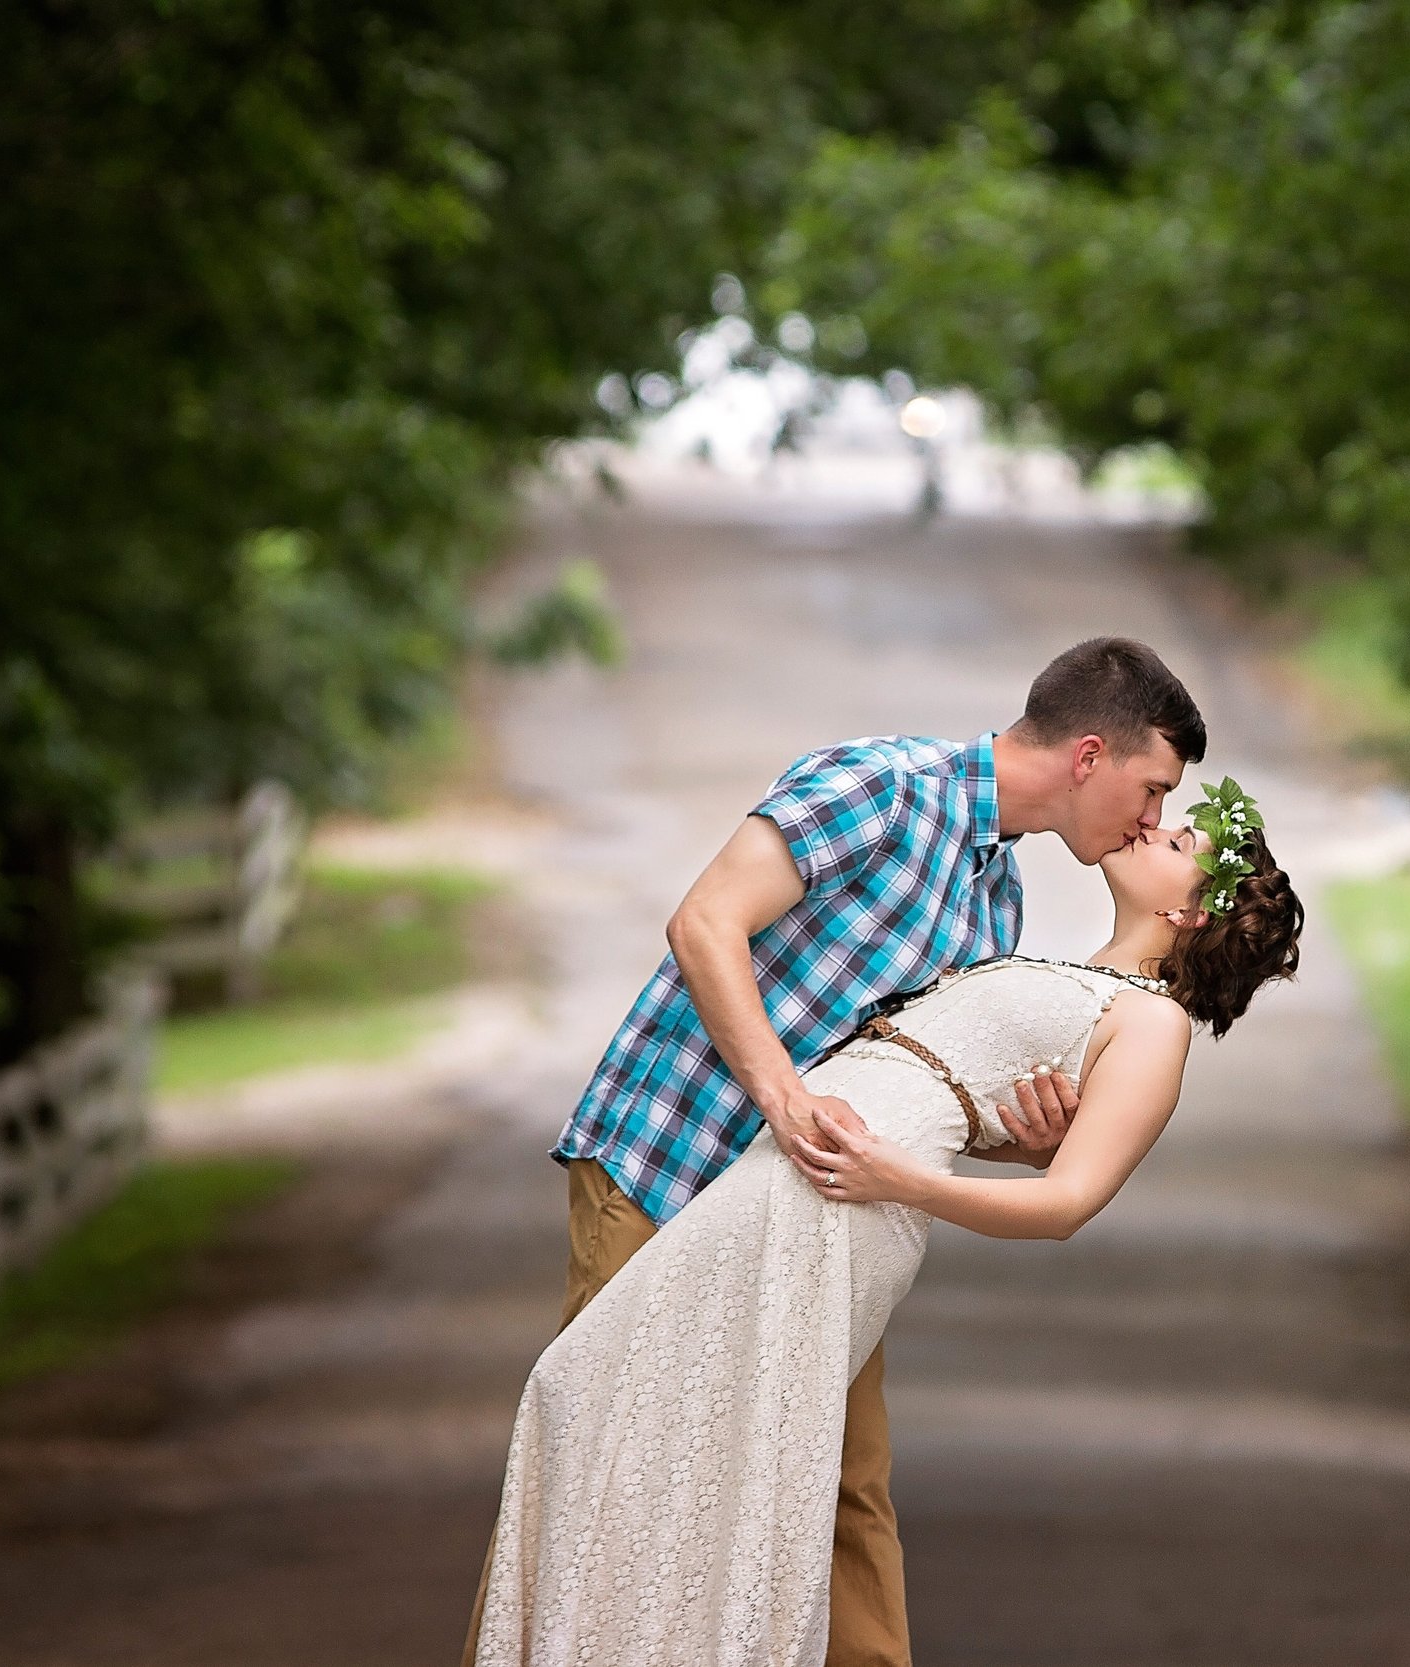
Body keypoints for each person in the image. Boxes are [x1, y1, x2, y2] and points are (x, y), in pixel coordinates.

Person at [460, 637, 1210, 1667]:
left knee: (846, 1484)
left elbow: (905, 1092)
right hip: (670, 1165)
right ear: (1090, 754)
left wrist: (1018, 1141)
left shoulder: (998, 901)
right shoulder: (882, 787)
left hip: (813, 1216)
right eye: (1153, 786)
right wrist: (782, 1092)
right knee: (608, 1448)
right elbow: (706, 920)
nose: (1154, 819)